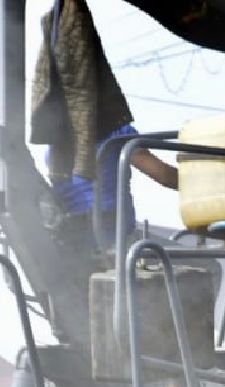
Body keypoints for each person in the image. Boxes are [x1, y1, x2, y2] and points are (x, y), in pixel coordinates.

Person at [30, 0, 177, 249]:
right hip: (110, 242)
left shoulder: (54, 148)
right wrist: (209, 183)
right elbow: (164, 176)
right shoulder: (116, 133)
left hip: (73, 245)